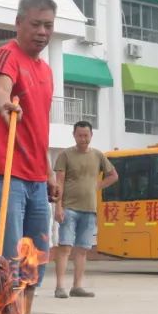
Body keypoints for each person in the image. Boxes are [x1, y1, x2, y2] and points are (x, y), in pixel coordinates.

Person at [0, 0, 65, 314]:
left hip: (34, 178)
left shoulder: (45, 70)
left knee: (34, 262)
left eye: (48, 25)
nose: (43, 32)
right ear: (18, 23)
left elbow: (38, 130)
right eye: (36, 24)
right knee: (10, 261)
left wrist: (48, 172)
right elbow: (0, 91)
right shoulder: (6, 56)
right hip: (5, 175)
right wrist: (5, 105)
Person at [53, 121, 118, 298]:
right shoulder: (65, 155)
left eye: (86, 135)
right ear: (74, 135)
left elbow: (113, 175)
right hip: (69, 208)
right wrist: (58, 207)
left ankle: (77, 286)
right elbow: (59, 183)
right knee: (65, 247)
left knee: (82, 249)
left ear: (91, 135)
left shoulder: (98, 155)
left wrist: (97, 185)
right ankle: (60, 287)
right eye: (80, 135)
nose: (83, 138)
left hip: (89, 209)